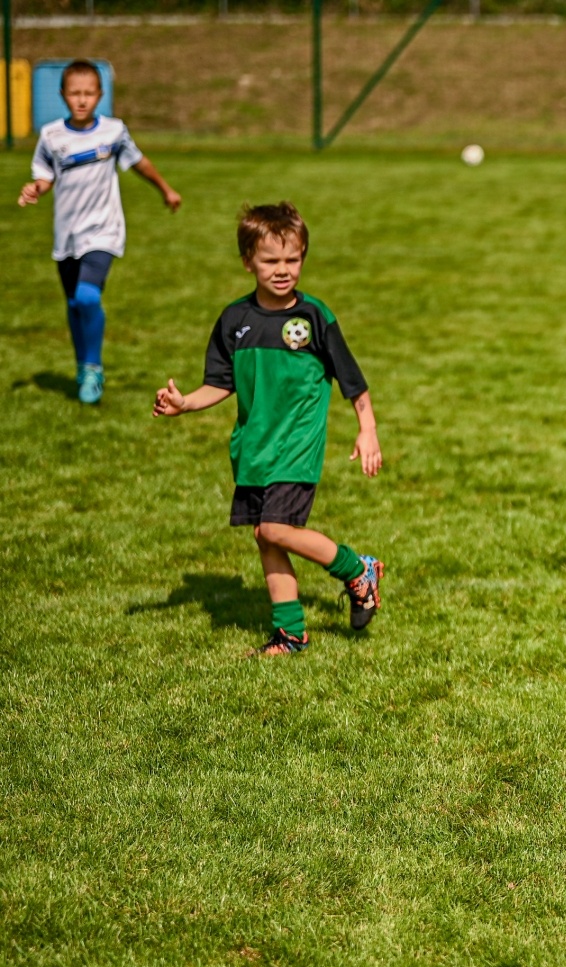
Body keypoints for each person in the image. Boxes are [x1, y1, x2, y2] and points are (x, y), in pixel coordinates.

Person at [151, 202, 384, 657]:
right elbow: (219, 384)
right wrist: (184, 404)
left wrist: (367, 428)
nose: (283, 270)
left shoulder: (315, 317)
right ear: (247, 262)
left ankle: (359, 569)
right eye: (270, 261)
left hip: (298, 443)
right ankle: (290, 634)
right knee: (264, 535)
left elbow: (353, 381)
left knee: (275, 528)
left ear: (303, 257)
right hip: (255, 446)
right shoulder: (235, 321)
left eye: (292, 259)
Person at [17, 59, 182, 405]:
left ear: (100, 95)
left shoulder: (113, 131)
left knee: (89, 296)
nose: (82, 100)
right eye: (75, 93)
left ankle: (93, 368)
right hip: (67, 235)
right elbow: (44, 177)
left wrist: (165, 189)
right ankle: (83, 366)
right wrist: (35, 189)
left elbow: (139, 162)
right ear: (63, 95)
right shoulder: (51, 136)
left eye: (89, 93)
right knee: (75, 303)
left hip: (104, 230)